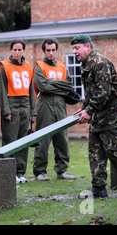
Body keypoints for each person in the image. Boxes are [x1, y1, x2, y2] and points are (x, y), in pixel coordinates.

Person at [71, 34, 117, 198]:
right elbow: (92, 92)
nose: (74, 51)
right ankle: (98, 188)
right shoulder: (87, 65)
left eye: (77, 48)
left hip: (112, 114)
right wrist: (84, 107)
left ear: (88, 47)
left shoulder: (100, 63)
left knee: (113, 150)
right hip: (99, 114)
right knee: (95, 151)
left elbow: (103, 92)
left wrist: (89, 111)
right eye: (73, 48)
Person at [33, 38, 77, 181]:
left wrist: (52, 82)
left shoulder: (62, 66)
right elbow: (43, 87)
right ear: (44, 51)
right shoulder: (39, 67)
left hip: (60, 105)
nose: (51, 53)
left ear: (57, 50)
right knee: (43, 138)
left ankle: (62, 171)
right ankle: (39, 171)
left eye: (53, 50)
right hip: (45, 105)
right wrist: (60, 86)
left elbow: (70, 86)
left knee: (62, 138)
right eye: (48, 50)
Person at [0, 39, 36, 183]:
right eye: (15, 49)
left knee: (23, 140)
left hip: (25, 105)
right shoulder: (5, 66)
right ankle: (8, 172)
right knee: (10, 140)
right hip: (12, 105)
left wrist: (33, 111)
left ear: (23, 51)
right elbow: (0, 90)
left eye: (20, 50)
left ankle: (20, 172)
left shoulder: (27, 66)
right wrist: (6, 110)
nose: (17, 52)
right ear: (11, 50)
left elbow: (31, 90)